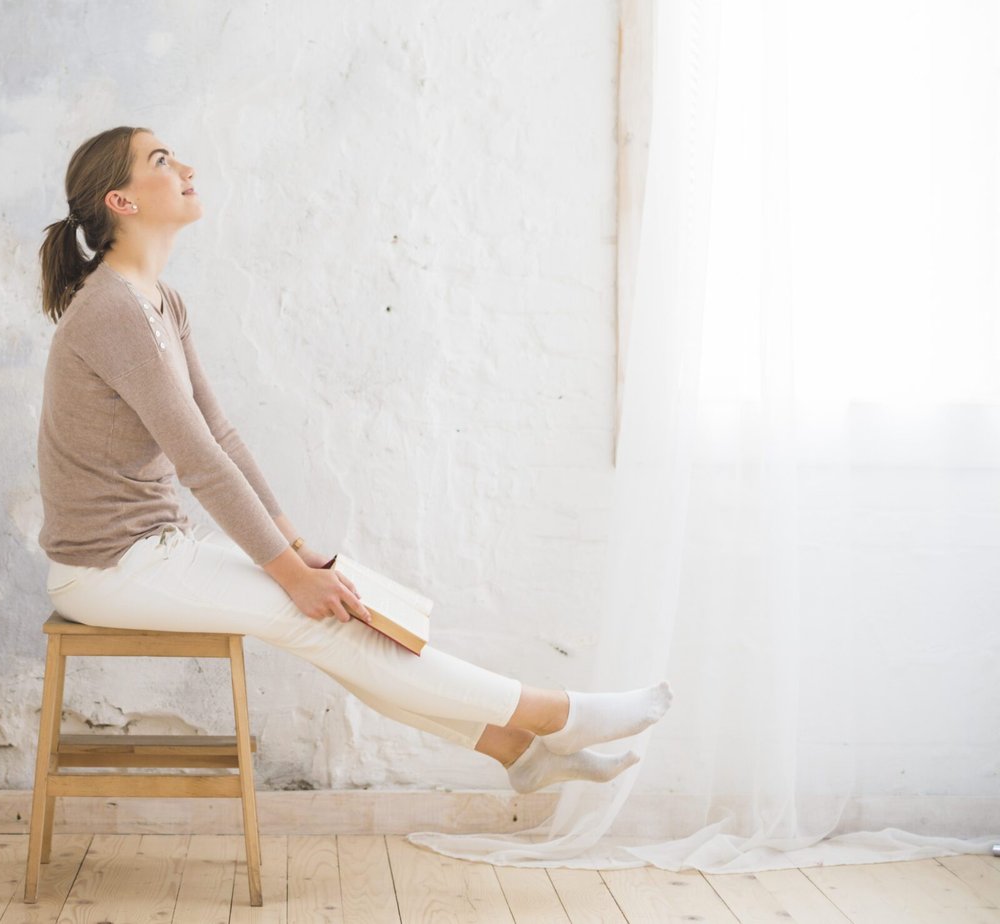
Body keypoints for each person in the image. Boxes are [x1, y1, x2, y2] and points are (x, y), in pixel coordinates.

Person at [34, 125, 673, 794]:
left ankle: (523, 754)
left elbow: (218, 433)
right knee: (329, 622)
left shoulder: (161, 301)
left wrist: (294, 548)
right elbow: (198, 461)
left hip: (156, 550)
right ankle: (555, 716)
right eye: (161, 161)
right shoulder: (112, 310)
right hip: (106, 570)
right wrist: (288, 575)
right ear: (122, 202)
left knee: (347, 616)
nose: (187, 165)